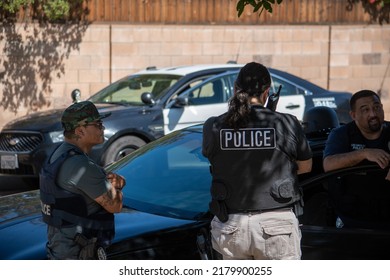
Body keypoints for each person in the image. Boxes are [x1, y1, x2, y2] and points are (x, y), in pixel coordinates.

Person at [202, 62, 313, 260]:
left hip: (231, 225)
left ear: (235, 89)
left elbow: (218, 160)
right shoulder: (287, 123)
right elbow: (306, 167)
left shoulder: (214, 125)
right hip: (276, 225)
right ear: (267, 92)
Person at [40, 100, 126, 260]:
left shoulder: (57, 154)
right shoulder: (81, 166)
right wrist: (118, 185)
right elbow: (116, 205)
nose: (103, 128)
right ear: (80, 131)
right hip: (79, 254)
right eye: (98, 124)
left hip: (62, 249)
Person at [323, 89, 390, 229]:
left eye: (376, 107)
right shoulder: (342, 134)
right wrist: (364, 154)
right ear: (353, 115)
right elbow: (328, 164)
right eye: (365, 110)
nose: (373, 114)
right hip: (352, 219)